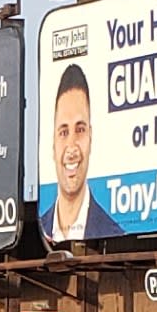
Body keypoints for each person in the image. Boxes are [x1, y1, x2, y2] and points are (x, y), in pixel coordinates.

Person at [46, 64, 97, 242]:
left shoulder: (114, 231)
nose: (71, 147)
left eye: (80, 130)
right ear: (53, 144)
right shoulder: (39, 234)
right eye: (64, 132)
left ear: (91, 137)